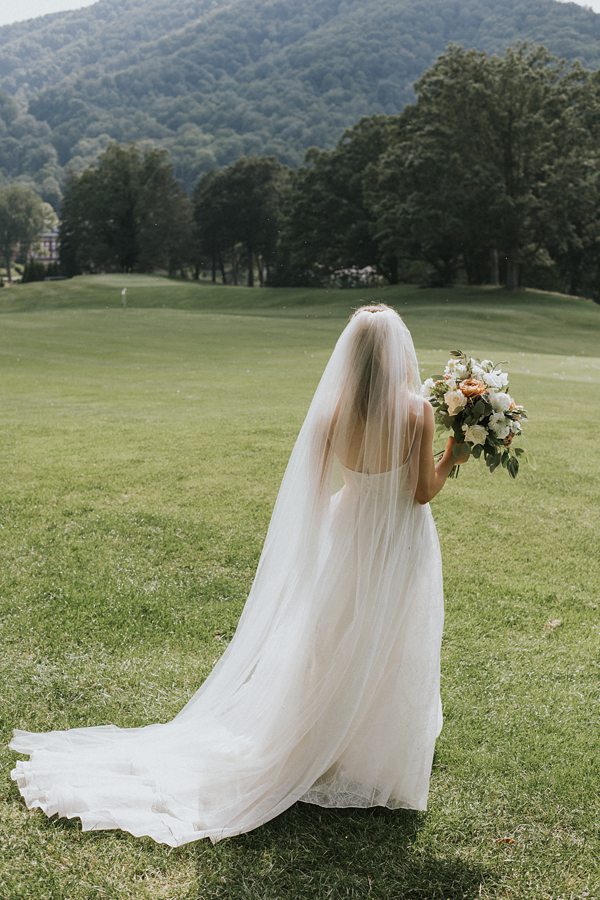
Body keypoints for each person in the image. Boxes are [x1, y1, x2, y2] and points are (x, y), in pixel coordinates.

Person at [9, 302, 468, 847]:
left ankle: (322, 742)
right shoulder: (417, 413)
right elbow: (421, 492)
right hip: (396, 540)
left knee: (333, 638)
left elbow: (315, 493)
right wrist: (453, 453)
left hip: (345, 536)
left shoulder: (332, 412)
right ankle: (370, 752)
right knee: (391, 640)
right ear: (397, 354)